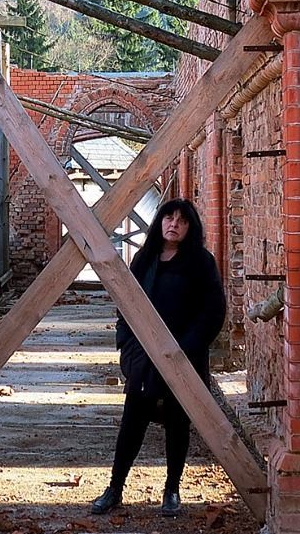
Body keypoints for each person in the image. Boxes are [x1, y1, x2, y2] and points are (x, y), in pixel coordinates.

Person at [90, 198, 226, 517]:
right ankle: (115, 487)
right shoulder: (145, 258)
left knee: (178, 424)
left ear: (190, 227)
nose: (173, 223)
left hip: (184, 358)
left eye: (181, 220)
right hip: (144, 359)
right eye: (168, 217)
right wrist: (126, 346)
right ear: (160, 222)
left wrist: (186, 348)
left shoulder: (200, 262)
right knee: (132, 423)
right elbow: (125, 303)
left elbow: (213, 311)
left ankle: (172, 490)